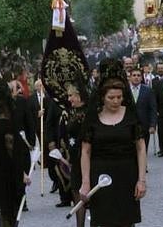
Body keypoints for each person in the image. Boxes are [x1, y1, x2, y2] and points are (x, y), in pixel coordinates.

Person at [80, 77, 146, 226]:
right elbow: (85, 151)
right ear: (103, 98)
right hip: (101, 178)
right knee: (103, 220)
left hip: (127, 175)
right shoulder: (92, 118)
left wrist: (141, 180)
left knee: (126, 221)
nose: (116, 101)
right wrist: (85, 182)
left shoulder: (131, 115)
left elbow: (141, 148)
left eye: (119, 97)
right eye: (111, 97)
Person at [0, 77, 34, 227]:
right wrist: (21, 172)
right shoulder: (9, 113)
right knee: (11, 209)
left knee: (6, 210)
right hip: (9, 168)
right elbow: (9, 144)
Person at [63, 82, 89, 226]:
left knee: (83, 195)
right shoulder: (73, 112)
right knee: (76, 194)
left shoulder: (87, 113)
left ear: (79, 96)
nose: (69, 99)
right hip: (74, 158)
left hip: (84, 158)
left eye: (71, 95)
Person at [129, 68, 157, 153]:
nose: (136, 77)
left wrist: (152, 125)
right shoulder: (125, 90)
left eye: (138, 75)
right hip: (129, 124)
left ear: (141, 78)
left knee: (143, 150)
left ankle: (143, 166)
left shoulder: (148, 90)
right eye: (134, 75)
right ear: (130, 77)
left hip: (144, 125)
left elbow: (153, 109)